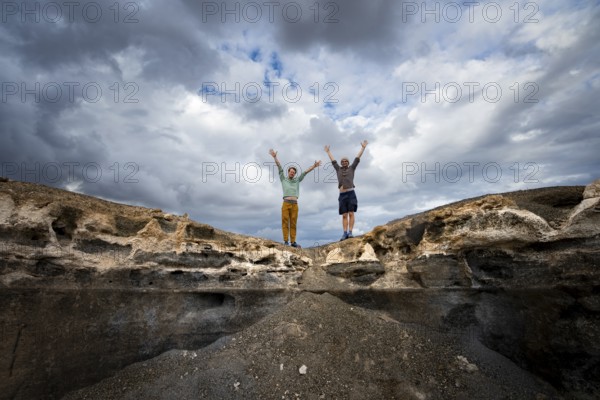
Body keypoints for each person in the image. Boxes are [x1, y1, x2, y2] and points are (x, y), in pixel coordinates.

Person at [269, 149, 321, 247]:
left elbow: (305, 172)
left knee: (293, 223)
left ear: (295, 174)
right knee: (285, 222)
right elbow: (279, 167)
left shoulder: (297, 180)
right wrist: (275, 157)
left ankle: (293, 242)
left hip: (295, 204)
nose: (292, 173)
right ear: (288, 172)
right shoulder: (283, 178)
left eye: (293, 172)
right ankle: (285, 241)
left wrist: (314, 166)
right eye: (291, 172)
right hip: (286, 203)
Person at [324, 140, 368, 240]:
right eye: (342, 161)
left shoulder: (352, 168)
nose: (344, 162)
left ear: (348, 163)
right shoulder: (338, 169)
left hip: (351, 193)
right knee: (344, 215)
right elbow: (333, 160)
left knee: (351, 213)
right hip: (342, 195)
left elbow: (357, 158)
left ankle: (350, 232)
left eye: (346, 161)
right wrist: (328, 152)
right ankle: (344, 233)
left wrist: (363, 148)